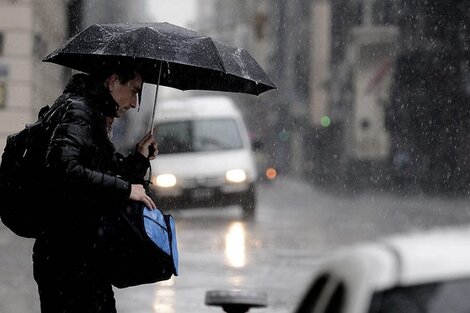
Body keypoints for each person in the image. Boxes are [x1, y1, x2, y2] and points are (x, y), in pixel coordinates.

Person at [32, 66, 157, 313]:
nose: (134, 102)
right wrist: (125, 189)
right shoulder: (80, 110)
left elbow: (100, 176)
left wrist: (139, 159)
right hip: (68, 258)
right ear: (112, 81)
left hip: (81, 255)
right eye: (133, 91)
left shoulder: (93, 113)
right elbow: (63, 168)